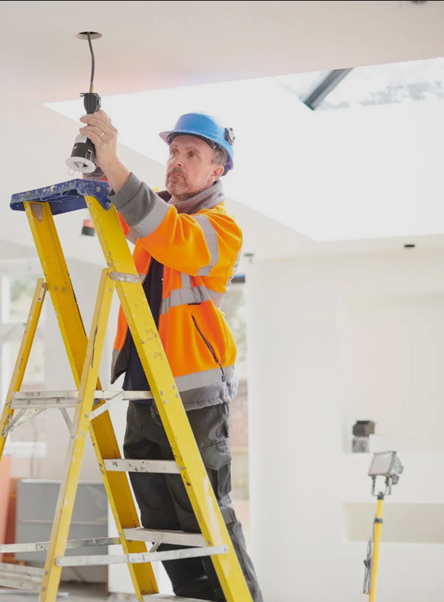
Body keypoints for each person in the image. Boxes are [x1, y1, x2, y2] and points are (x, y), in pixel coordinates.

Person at [78, 110, 263, 602]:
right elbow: (111, 221)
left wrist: (116, 166)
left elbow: (171, 239)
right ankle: (195, 596)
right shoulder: (155, 215)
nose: (176, 164)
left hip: (193, 394)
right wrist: (97, 166)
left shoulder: (220, 229)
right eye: (173, 153)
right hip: (143, 387)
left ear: (215, 171)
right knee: (158, 512)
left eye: (191, 155)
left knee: (202, 508)